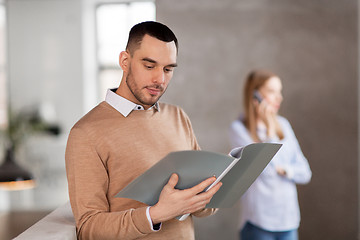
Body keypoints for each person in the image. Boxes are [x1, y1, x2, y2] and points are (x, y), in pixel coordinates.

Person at [65, 21, 222, 240]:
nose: (160, 79)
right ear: (125, 61)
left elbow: (204, 206)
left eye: (168, 69)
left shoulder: (178, 117)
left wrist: (207, 196)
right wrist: (155, 214)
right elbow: (89, 228)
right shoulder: (86, 133)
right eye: (149, 66)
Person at [229, 70, 312, 240]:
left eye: (279, 91)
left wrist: (286, 171)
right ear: (255, 95)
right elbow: (265, 170)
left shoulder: (284, 125)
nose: (279, 98)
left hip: (289, 221)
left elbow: (305, 173)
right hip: (258, 223)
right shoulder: (239, 129)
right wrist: (270, 131)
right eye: (272, 91)